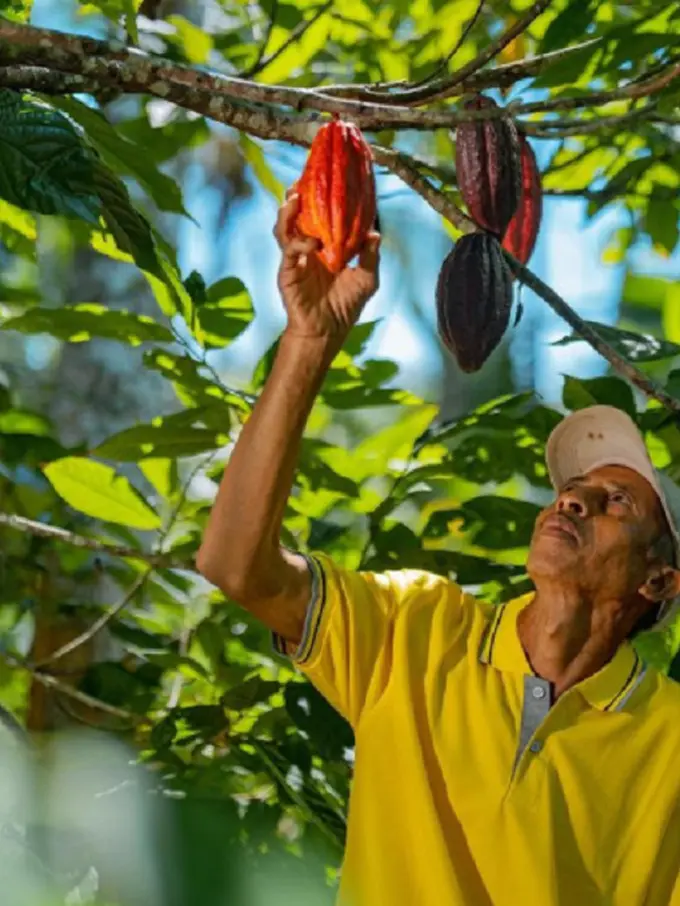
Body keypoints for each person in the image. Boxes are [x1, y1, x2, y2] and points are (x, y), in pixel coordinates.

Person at [197, 193, 680, 906]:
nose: (573, 501)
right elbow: (235, 566)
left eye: (618, 503)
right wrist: (308, 341)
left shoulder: (669, 740)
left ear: (659, 581)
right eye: (572, 489)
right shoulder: (416, 627)